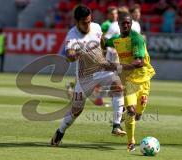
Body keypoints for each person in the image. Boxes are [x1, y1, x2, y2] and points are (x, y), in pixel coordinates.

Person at [51, 5, 126, 146]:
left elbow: (101, 39)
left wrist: (105, 48)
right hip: (85, 77)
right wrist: (75, 54)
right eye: (84, 23)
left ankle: (116, 125)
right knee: (76, 111)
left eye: (89, 21)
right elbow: (70, 55)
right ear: (77, 21)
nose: (87, 25)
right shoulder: (72, 36)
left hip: (102, 69)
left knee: (118, 87)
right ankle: (60, 131)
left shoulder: (96, 27)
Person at [104, 12, 155, 151]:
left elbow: (139, 62)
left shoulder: (136, 39)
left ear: (131, 24)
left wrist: (115, 66)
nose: (125, 25)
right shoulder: (116, 40)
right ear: (118, 24)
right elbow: (104, 43)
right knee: (131, 110)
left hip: (143, 78)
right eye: (123, 23)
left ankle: (124, 116)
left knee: (138, 115)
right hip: (128, 80)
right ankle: (131, 142)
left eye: (128, 23)